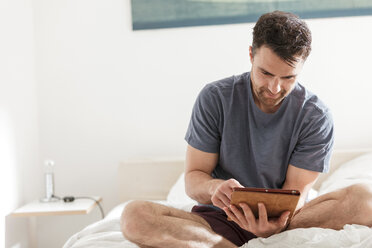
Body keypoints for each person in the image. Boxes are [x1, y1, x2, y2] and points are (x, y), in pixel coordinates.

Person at [120, 10, 372, 248]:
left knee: (366, 198)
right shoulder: (215, 98)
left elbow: (295, 193)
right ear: (251, 55)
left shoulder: (315, 116)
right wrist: (213, 188)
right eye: (265, 73)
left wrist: (274, 225)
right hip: (218, 221)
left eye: (288, 78)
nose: (274, 88)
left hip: (287, 223)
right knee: (134, 216)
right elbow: (193, 177)